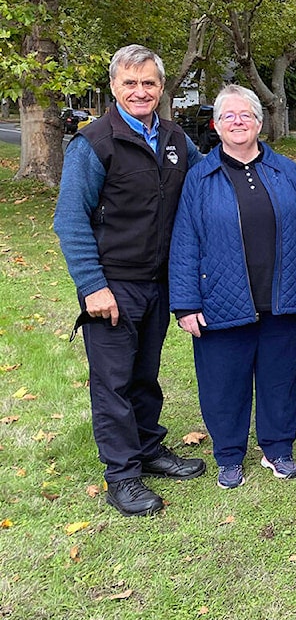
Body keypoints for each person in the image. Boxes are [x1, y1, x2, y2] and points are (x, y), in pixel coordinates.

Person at [54, 44, 206, 517]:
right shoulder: (94, 143)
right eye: (130, 83)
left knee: (144, 374)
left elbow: (207, 183)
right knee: (113, 382)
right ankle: (122, 475)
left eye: (149, 83)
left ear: (162, 88)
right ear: (115, 87)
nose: (140, 91)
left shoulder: (178, 140)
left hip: (159, 282)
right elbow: (69, 220)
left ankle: (148, 448)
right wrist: (93, 285)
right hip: (112, 284)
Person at [168, 85, 296, 490]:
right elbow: (185, 241)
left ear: (260, 122)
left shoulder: (287, 173)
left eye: (246, 115)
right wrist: (186, 303)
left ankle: (278, 449)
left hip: (283, 296)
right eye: (229, 116)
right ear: (216, 125)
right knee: (224, 382)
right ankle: (228, 455)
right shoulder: (199, 178)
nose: (238, 122)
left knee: (280, 377)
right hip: (220, 299)